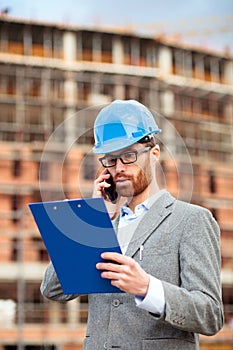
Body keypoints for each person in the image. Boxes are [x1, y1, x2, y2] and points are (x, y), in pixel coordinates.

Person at [41, 100, 224, 350]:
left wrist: (149, 289)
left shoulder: (191, 220)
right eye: (111, 159)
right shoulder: (101, 225)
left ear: (154, 154)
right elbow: (53, 289)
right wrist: (92, 219)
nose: (119, 168)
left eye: (128, 156)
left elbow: (210, 314)